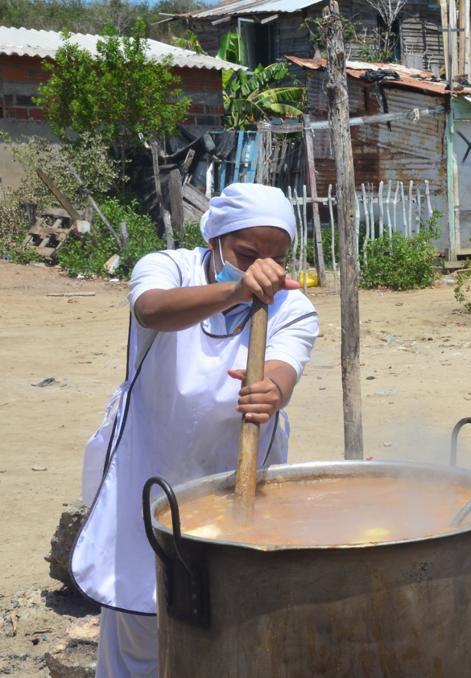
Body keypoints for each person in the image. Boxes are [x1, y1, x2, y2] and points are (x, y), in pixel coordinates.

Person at [70, 183, 320, 677]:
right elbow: (152, 310)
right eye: (247, 254)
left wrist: (271, 391)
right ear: (215, 241)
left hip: (235, 477)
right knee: (140, 610)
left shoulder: (293, 307)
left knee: (232, 621)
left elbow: (282, 371)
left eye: (276, 257)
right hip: (148, 465)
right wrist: (236, 289)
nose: (263, 270)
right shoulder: (166, 267)